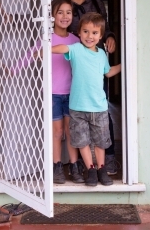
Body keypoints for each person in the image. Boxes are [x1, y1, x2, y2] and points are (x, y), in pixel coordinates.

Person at [10, 0, 83, 184]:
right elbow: (31, 55)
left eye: (68, 12)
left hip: (73, 94)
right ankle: (57, 166)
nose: (65, 16)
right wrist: (13, 70)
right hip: (52, 94)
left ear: (73, 16)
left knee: (71, 132)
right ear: (52, 16)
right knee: (57, 133)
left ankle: (75, 167)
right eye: (60, 12)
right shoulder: (47, 38)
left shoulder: (76, 40)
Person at [57, 0, 119, 176]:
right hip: (70, 60)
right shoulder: (61, 3)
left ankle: (107, 159)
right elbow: (43, 22)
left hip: (93, 61)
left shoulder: (96, 3)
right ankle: (81, 164)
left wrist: (109, 38)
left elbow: (106, 27)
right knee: (75, 115)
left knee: (100, 109)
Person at [52, 12, 121, 186]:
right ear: (79, 33)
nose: (89, 36)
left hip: (99, 107)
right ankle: (90, 169)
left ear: (100, 36)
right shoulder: (76, 49)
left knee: (100, 140)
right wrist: (46, 49)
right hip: (77, 107)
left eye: (94, 33)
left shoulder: (101, 55)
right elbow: (62, 48)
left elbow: (108, 72)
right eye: (85, 31)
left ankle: (101, 169)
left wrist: (124, 64)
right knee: (82, 140)